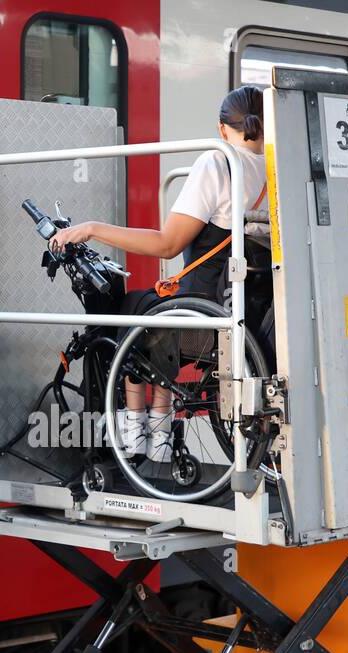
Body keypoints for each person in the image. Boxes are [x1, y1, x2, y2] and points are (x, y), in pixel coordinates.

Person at [49, 86, 271, 462]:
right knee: (159, 307)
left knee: (133, 305)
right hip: (252, 314)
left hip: (207, 317)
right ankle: (160, 431)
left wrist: (91, 228)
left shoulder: (218, 163)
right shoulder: (275, 171)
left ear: (222, 129)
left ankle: (140, 430)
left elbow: (167, 244)